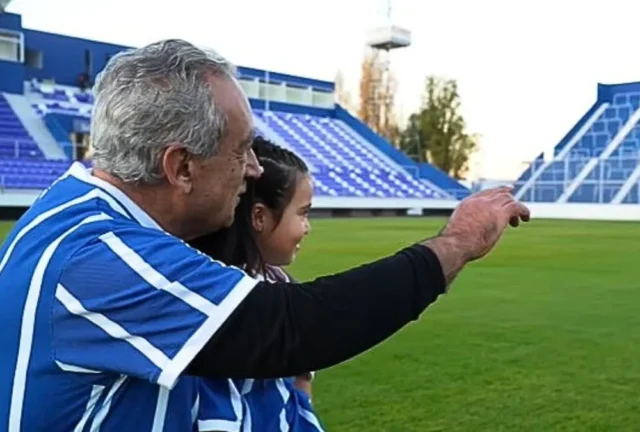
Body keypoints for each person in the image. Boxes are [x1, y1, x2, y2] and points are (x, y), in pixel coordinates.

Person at [0, 39, 530, 431]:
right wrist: (457, 243)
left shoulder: (72, 213)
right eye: (241, 150)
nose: (255, 169)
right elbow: (288, 327)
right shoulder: (96, 257)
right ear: (181, 167)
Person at [191, 136, 323, 432]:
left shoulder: (279, 285)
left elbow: (301, 379)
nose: (307, 228)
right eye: (303, 213)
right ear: (259, 216)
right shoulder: (222, 305)